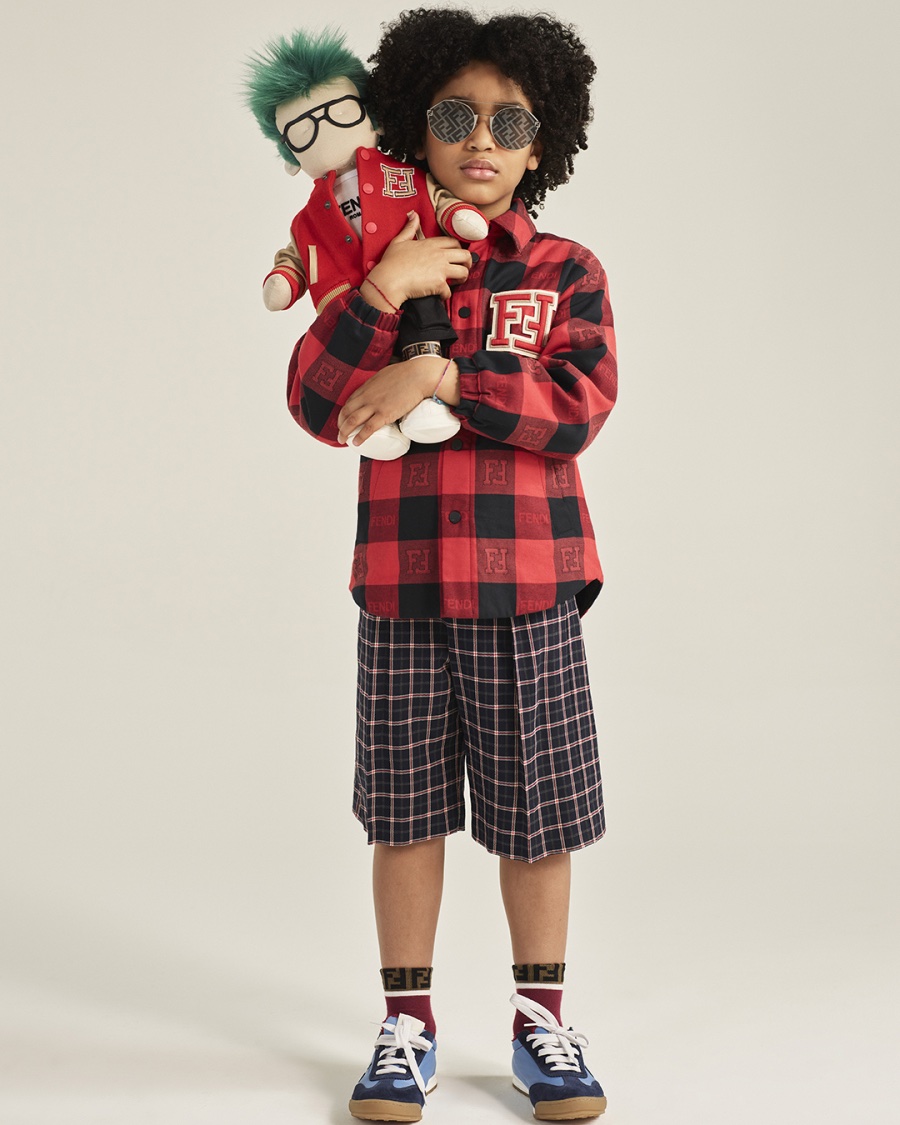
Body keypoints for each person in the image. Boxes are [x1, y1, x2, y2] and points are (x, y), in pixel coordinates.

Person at [286, 9, 618, 1122]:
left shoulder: (566, 271)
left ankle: (541, 1021)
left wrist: (442, 381)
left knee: (541, 816)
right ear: (411, 128)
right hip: (403, 586)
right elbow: (313, 403)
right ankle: (407, 1026)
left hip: (530, 588)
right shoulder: (372, 267)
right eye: (456, 114)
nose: (481, 138)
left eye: (509, 122)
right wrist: (383, 293)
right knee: (404, 814)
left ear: (541, 144)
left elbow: (578, 407)